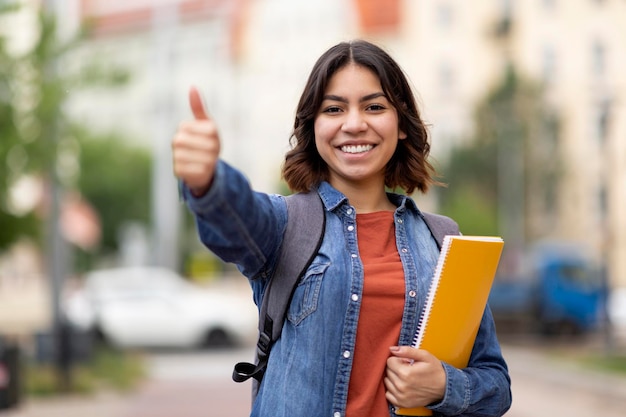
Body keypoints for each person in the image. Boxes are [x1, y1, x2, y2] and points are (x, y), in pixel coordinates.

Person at [172, 39, 511, 417]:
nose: (354, 124)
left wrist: (445, 387)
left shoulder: (444, 240)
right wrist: (208, 182)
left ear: (400, 124)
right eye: (334, 109)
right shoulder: (286, 226)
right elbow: (235, 219)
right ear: (314, 127)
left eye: (374, 107)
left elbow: (496, 385)